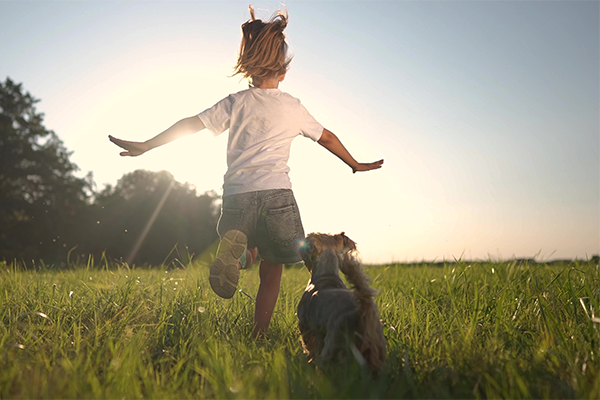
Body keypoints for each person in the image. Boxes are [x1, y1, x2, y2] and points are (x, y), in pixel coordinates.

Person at [109, 6, 383, 339]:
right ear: (283, 72)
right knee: (273, 269)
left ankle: (239, 255)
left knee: (246, 240)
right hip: (278, 196)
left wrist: (148, 145)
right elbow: (326, 137)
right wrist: (354, 163)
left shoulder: (236, 102)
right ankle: (259, 333)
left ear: (248, 68)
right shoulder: (292, 106)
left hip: (238, 195)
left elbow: (191, 124)